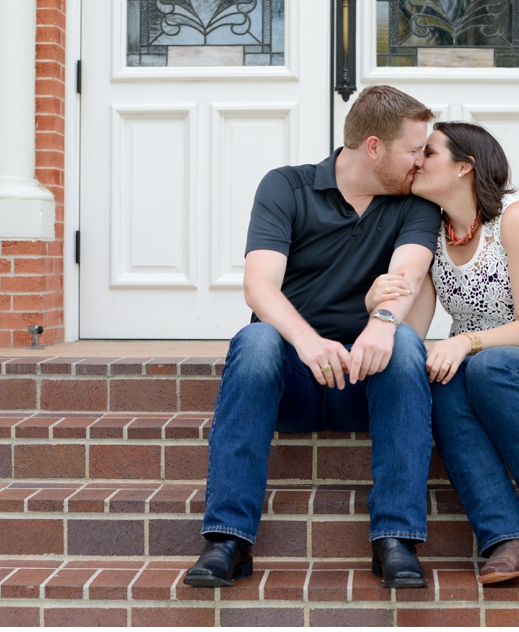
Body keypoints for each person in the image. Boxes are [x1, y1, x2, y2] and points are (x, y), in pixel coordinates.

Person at [185, 86, 441, 589]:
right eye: (413, 150)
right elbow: (259, 285)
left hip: (369, 382)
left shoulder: (415, 203)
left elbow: (407, 274)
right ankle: (228, 540)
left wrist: (381, 326)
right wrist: (306, 341)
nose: (421, 161)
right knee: (255, 340)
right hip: (295, 384)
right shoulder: (287, 187)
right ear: (373, 147)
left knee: (408, 343)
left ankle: (396, 538)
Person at [366, 121, 519, 585]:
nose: (417, 161)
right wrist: (377, 307)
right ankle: (504, 536)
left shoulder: (516, 218)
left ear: (464, 168)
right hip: (485, 377)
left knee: (483, 365)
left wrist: (463, 342)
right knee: (442, 381)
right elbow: (412, 334)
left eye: (429, 153)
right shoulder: (436, 237)